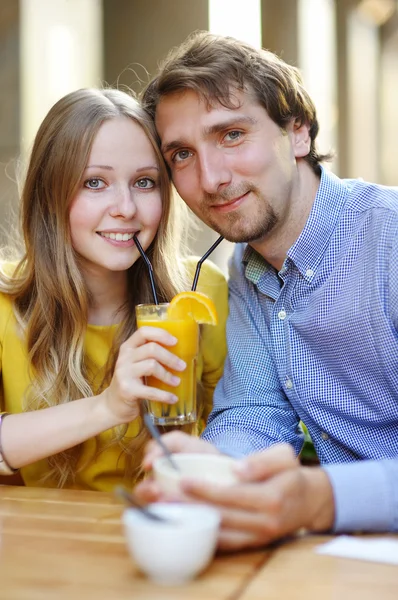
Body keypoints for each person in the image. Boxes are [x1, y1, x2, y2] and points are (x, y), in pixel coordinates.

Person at [135, 31, 398, 540]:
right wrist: (209, 474)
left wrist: (320, 499)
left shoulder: (389, 239)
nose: (210, 179)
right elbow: (255, 409)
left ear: (297, 133)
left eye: (231, 134)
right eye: (182, 155)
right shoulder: (247, 267)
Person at [0, 87, 228, 490]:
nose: (125, 207)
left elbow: (251, 426)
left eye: (144, 182)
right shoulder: (5, 303)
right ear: (48, 193)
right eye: (94, 183)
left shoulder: (198, 295)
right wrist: (107, 407)